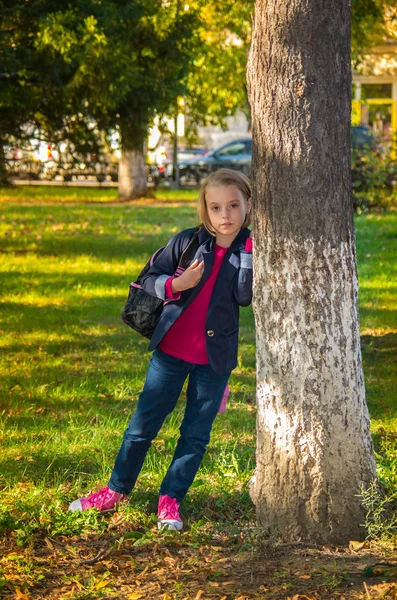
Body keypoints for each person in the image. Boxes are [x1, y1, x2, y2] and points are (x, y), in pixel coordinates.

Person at [68, 168, 253, 530]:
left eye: (234, 205)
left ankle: (170, 500)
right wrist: (177, 283)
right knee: (141, 426)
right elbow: (147, 279)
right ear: (205, 210)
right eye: (216, 208)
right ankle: (116, 490)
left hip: (213, 362)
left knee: (195, 435)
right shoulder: (187, 242)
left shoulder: (250, 249)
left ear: (248, 205)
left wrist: (248, 251)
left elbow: (244, 296)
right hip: (170, 354)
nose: (226, 215)